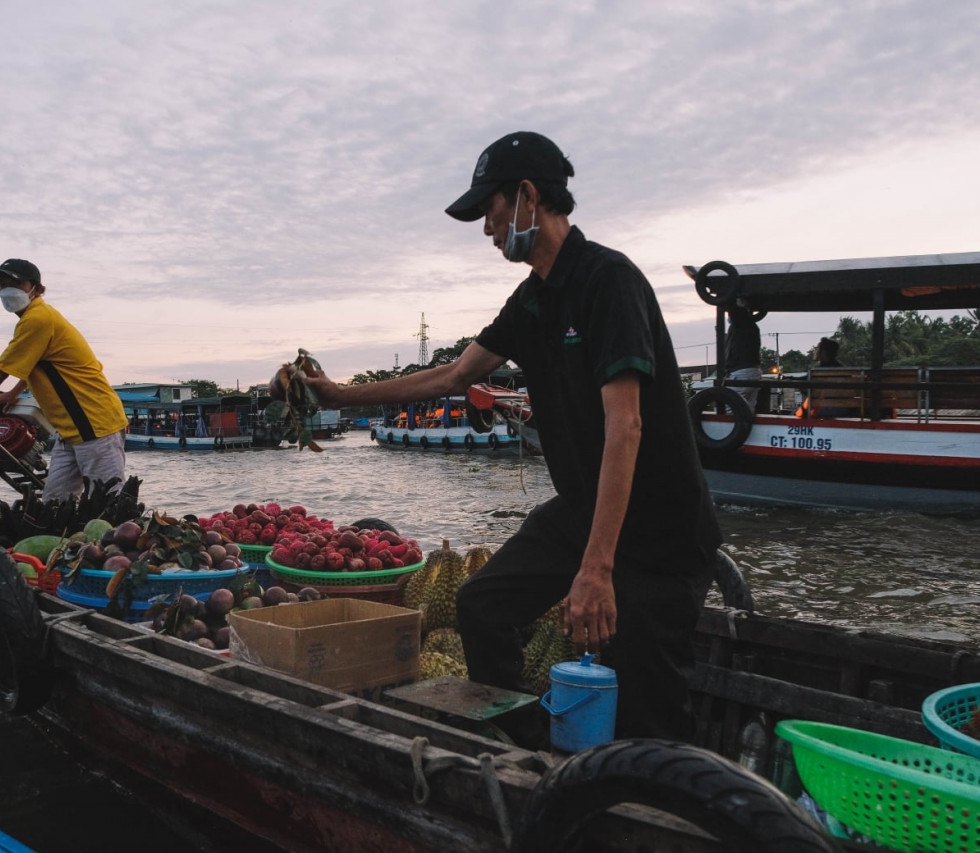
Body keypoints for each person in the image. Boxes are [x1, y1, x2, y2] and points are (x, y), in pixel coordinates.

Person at [307, 131, 721, 744]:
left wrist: (597, 569)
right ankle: (522, 753)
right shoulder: (530, 302)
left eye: (490, 210)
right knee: (483, 606)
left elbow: (626, 427)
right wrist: (341, 396)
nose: (487, 230)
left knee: (647, 702)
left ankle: (659, 811)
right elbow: (452, 374)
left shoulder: (610, 282)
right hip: (585, 510)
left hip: (659, 529)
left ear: (527, 196)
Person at [0, 259, 129, 503]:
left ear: (35, 288)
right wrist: (14, 392)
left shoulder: (38, 319)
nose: (7, 291)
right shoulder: (32, 320)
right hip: (70, 430)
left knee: (108, 504)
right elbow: (36, 364)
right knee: (55, 503)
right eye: (2, 286)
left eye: (15, 284)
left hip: (95, 425)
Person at [723, 306, 762, 411]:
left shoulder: (739, 324)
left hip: (741, 372)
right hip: (755, 371)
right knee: (748, 409)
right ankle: (745, 426)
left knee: (730, 407)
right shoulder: (753, 326)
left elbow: (733, 310)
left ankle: (733, 427)